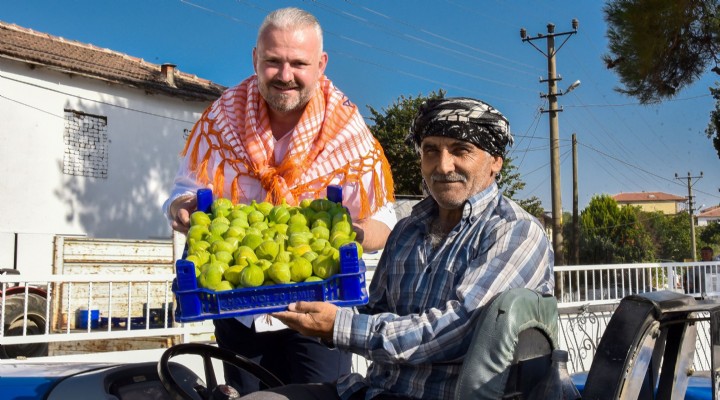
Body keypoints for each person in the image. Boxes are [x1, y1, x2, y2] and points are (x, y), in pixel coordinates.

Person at [243, 97, 554, 399]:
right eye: (431, 150)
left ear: (495, 161)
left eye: (461, 150)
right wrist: (309, 302)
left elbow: (458, 329)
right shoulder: (406, 231)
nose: (443, 166)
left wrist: (338, 326)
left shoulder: (515, 232)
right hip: (372, 391)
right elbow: (372, 310)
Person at [162, 7, 397, 395]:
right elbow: (184, 188)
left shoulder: (347, 131)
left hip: (319, 310)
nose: (285, 75)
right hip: (239, 310)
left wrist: (356, 232)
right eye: (273, 61)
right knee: (250, 398)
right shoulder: (221, 120)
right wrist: (180, 207)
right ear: (255, 59)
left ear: (320, 64)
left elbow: (384, 219)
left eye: (298, 63)